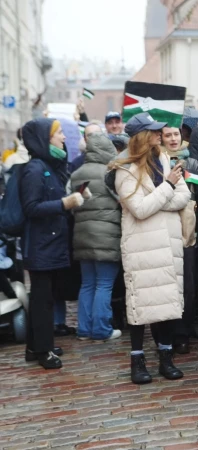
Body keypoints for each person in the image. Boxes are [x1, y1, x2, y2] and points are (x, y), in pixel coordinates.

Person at [111, 113, 190, 384]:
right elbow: (140, 209)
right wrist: (167, 187)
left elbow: (185, 195)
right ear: (142, 137)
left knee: (166, 303)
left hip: (168, 243)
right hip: (143, 245)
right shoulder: (125, 170)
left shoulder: (165, 159)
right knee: (140, 305)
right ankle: (137, 360)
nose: (160, 134)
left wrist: (163, 194)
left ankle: (166, 359)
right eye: (155, 131)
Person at [20, 118, 88, 369]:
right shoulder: (35, 169)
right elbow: (31, 207)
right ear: (44, 139)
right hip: (40, 246)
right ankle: (43, 351)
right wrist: (64, 204)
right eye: (58, 133)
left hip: (49, 243)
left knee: (43, 298)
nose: (62, 137)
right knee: (42, 300)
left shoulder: (48, 165)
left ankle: (34, 346)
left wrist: (76, 197)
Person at [70, 132, 122, 341]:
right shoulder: (110, 173)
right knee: (104, 284)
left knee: (87, 284)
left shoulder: (76, 174)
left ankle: (83, 329)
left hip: (82, 236)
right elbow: (122, 200)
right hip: (107, 237)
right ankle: (101, 329)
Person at [161, 126, 198, 353]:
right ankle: (165, 335)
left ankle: (182, 334)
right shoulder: (154, 162)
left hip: (187, 235)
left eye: (176, 135)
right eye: (167, 135)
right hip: (162, 233)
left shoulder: (194, 165)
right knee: (166, 287)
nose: (172, 139)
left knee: (187, 288)